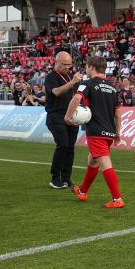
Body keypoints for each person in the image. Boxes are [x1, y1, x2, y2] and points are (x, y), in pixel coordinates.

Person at [66, 56, 126, 209]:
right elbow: (118, 113)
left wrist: (67, 116)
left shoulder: (86, 84)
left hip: (96, 131)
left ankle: (117, 198)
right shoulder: (113, 88)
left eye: (87, 67)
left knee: (105, 163)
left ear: (91, 67)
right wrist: (118, 133)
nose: (86, 69)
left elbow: (76, 98)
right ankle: (83, 191)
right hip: (109, 132)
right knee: (92, 160)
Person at [44, 51, 83, 189]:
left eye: (69, 64)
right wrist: (72, 82)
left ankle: (66, 178)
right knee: (63, 144)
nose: (68, 67)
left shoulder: (70, 76)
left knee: (70, 147)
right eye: (65, 64)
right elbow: (57, 92)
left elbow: (77, 94)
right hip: (56, 116)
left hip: (71, 115)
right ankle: (55, 178)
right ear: (57, 63)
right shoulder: (51, 77)